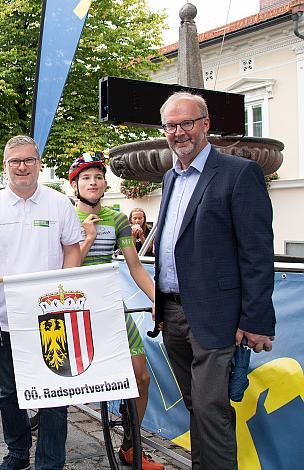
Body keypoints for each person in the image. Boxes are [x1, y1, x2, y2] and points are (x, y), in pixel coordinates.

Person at [153, 91, 275, 469]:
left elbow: (257, 253)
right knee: (197, 409)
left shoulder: (239, 173)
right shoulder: (170, 177)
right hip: (171, 313)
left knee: (212, 410)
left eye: (186, 123)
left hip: (217, 316)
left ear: (205, 124)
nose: (178, 132)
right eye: (171, 125)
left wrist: (255, 320)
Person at [0, 135, 82, 470]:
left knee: (55, 397)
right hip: (4, 318)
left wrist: (65, 282)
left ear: (39, 163)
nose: (22, 167)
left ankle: (49, 463)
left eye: (28, 160)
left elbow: (72, 248)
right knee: (10, 395)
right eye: (15, 162)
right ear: (5, 166)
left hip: (51, 317)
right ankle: (18, 453)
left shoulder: (59, 204)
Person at [68, 153, 163, 470]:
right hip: (76, 305)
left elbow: (135, 267)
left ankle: (131, 447)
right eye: (85, 177)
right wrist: (88, 237)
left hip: (110, 302)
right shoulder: (65, 216)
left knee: (141, 377)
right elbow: (64, 269)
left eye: (97, 176)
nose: (92, 182)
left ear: (105, 183)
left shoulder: (119, 219)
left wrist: (156, 298)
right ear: (75, 185)